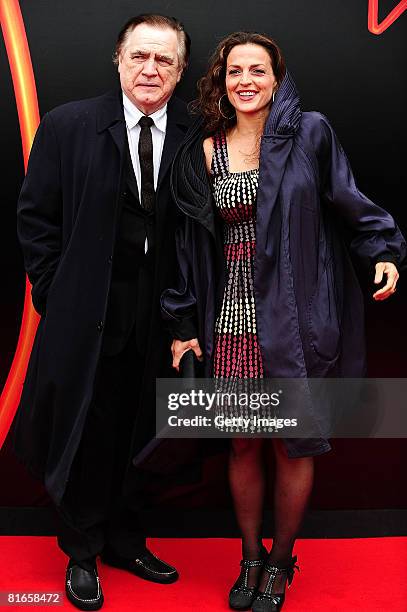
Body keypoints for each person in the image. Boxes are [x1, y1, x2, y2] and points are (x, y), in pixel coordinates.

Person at [162, 32, 406, 611]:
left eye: (258, 70)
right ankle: (249, 557)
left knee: (291, 446)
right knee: (243, 445)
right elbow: (185, 244)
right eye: (234, 71)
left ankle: (280, 561)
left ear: (278, 78)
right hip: (230, 318)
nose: (246, 80)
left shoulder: (310, 133)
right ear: (221, 80)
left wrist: (383, 250)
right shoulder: (205, 147)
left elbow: (349, 199)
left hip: (294, 315)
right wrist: (181, 320)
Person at [13, 14, 192, 611]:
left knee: (144, 433)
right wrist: (55, 294)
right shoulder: (70, 125)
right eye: (140, 56)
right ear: (117, 60)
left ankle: (125, 540)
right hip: (87, 315)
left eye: (164, 60)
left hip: (164, 320)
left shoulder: (196, 135)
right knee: (86, 432)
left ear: (180, 70)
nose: (151, 69)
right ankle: (82, 552)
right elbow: (37, 218)